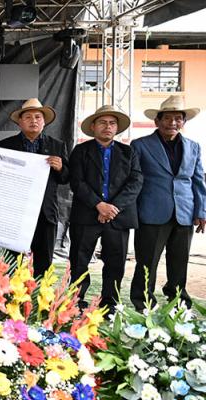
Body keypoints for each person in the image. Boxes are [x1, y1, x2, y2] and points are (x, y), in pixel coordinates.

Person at [130, 95, 205, 310]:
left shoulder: (193, 147)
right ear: (157, 121)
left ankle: (178, 298)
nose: (173, 122)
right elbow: (134, 180)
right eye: (168, 118)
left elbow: (198, 180)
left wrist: (201, 210)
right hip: (151, 212)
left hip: (185, 212)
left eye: (178, 118)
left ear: (183, 122)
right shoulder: (140, 145)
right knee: (147, 262)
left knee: (179, 261)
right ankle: (143, 301)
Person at [68, 105, 142, 312]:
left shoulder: (129, 152)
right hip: (86, 215)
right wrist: (99, 205)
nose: (107, 127)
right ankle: (76, 302)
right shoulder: (81, 151)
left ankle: (110, 303)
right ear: (93, 126)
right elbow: (77, 182)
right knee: (79, 260)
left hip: (118, 217)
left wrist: (113, 208)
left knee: (115, 262)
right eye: (102, 122)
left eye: (112, 123)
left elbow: (136, 182)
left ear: (117, 127)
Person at [0, 98, 69, 278]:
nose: (33, 120)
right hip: (14, 212)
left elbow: (66, 178)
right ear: (20, 122)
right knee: (13, 261)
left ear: (44, 122)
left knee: (44, 261)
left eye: (38, 117)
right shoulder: (5, 146)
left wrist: (61, 167)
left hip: (46, 213)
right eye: (28, 117)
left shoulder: (57, 145)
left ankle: (40, 301)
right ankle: (12, 300)